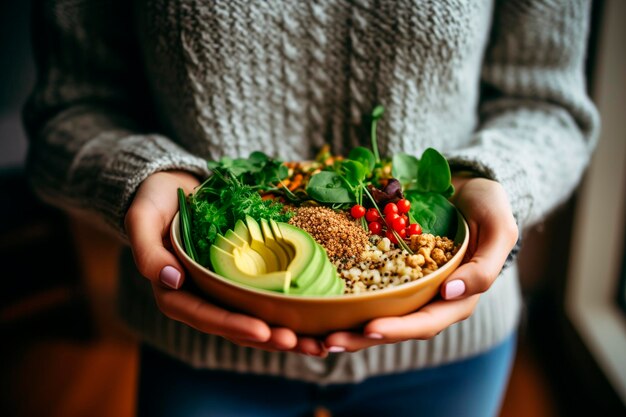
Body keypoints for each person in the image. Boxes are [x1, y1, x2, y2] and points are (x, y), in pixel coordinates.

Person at [24, 1, 599, 416]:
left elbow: (547, 103)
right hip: (203, 344)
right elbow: (70, 109)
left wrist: (496, 181)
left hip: (447, 347)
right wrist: (145, 177)